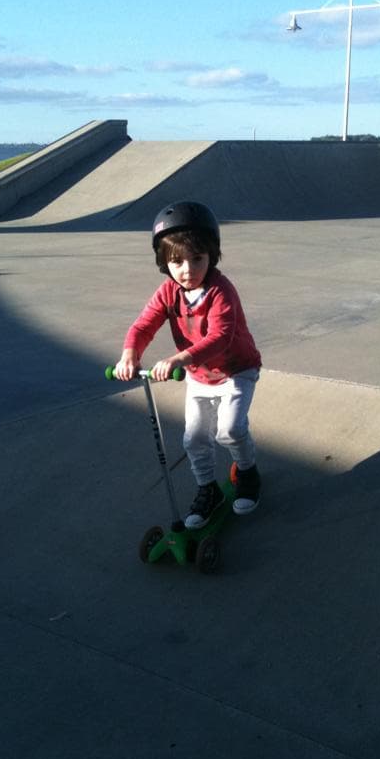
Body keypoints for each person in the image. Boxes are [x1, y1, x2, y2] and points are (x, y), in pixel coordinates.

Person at [114, 200, 261, 529]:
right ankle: (208, 489)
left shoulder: (221, 291)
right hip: (198, 376)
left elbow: (221, 336)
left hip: (236, 370)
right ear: (164, 263)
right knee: (194, 438)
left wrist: (179, 358)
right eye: (177, 261)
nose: (188, 270)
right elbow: (143, 326)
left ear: (212, 255)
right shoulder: (168, 291)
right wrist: (130, 353)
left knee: (231, 430)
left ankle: (248, 472)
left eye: (197, 259)